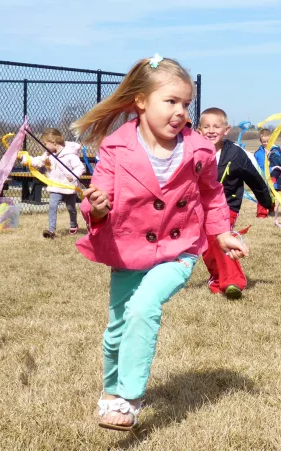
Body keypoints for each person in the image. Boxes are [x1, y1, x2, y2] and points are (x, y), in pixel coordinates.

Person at [70, 55, 248, 431]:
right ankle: (111, 390)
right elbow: (98, 199)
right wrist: (97, 207)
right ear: (141, 101)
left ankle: (131, 397)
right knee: (118, 324)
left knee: (144, 307)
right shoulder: (116, 148)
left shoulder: (198, 149)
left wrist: (221, 233)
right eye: (171, 102)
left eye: (186, 104)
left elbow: (213, 194)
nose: (181, 112)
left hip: (178, 249)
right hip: (127, 249)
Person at [197, 107, 273, 298]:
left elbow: (255, 178)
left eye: (216, 126)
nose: (211, 130)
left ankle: (233, 282)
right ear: (199, 131)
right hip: (200, 207)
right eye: (206, 127)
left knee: (220, 239)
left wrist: (266, 202)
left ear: (226, 130)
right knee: (207, 248)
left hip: (227, 206)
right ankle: (216, 277)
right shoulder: (193, 152)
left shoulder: (236, 154)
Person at [19, 128, 85, 238]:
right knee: (52, 206)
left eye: (45, 143)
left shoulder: (70, 155)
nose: (44, 146)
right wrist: (24, 158)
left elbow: (80, 167)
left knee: (71, 208)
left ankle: (73, 224)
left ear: (54, 142)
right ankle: (51, 230)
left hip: (69, 187)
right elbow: (38, 161)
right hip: (55, 187)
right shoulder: (48, 154)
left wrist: (73, 176)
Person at [254, 128, 280, 219]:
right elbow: (255, 166)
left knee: (271, 196)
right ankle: (261, 214)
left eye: (267, 141)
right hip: (262, 178)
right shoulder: (257, 153)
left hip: (273, 178)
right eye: (263, 141)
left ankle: (271, 210)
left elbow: (280, 164)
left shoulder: (276, 151)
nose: (265, 143)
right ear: (260, 141)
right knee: (262, 196)